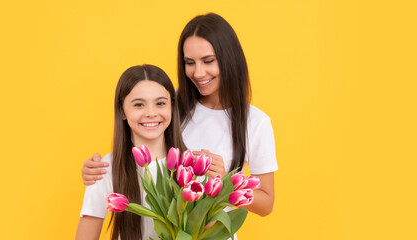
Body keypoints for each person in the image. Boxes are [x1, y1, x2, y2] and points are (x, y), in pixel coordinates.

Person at [81, 13, 278, 217]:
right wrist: (98, 170)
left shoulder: (256, 122)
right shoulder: (167, 104)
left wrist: (227, 181)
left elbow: (266, 204)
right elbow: (132, 150)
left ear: (229, 59)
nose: (198, 73)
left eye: (208, 61)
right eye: (189, 62)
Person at [75, 64, 187, 240]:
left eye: (160, 103)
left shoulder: (191, 166)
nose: (151, 113)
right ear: (122, 111)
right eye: (139, 105)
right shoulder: (105, 168)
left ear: (172, 107)